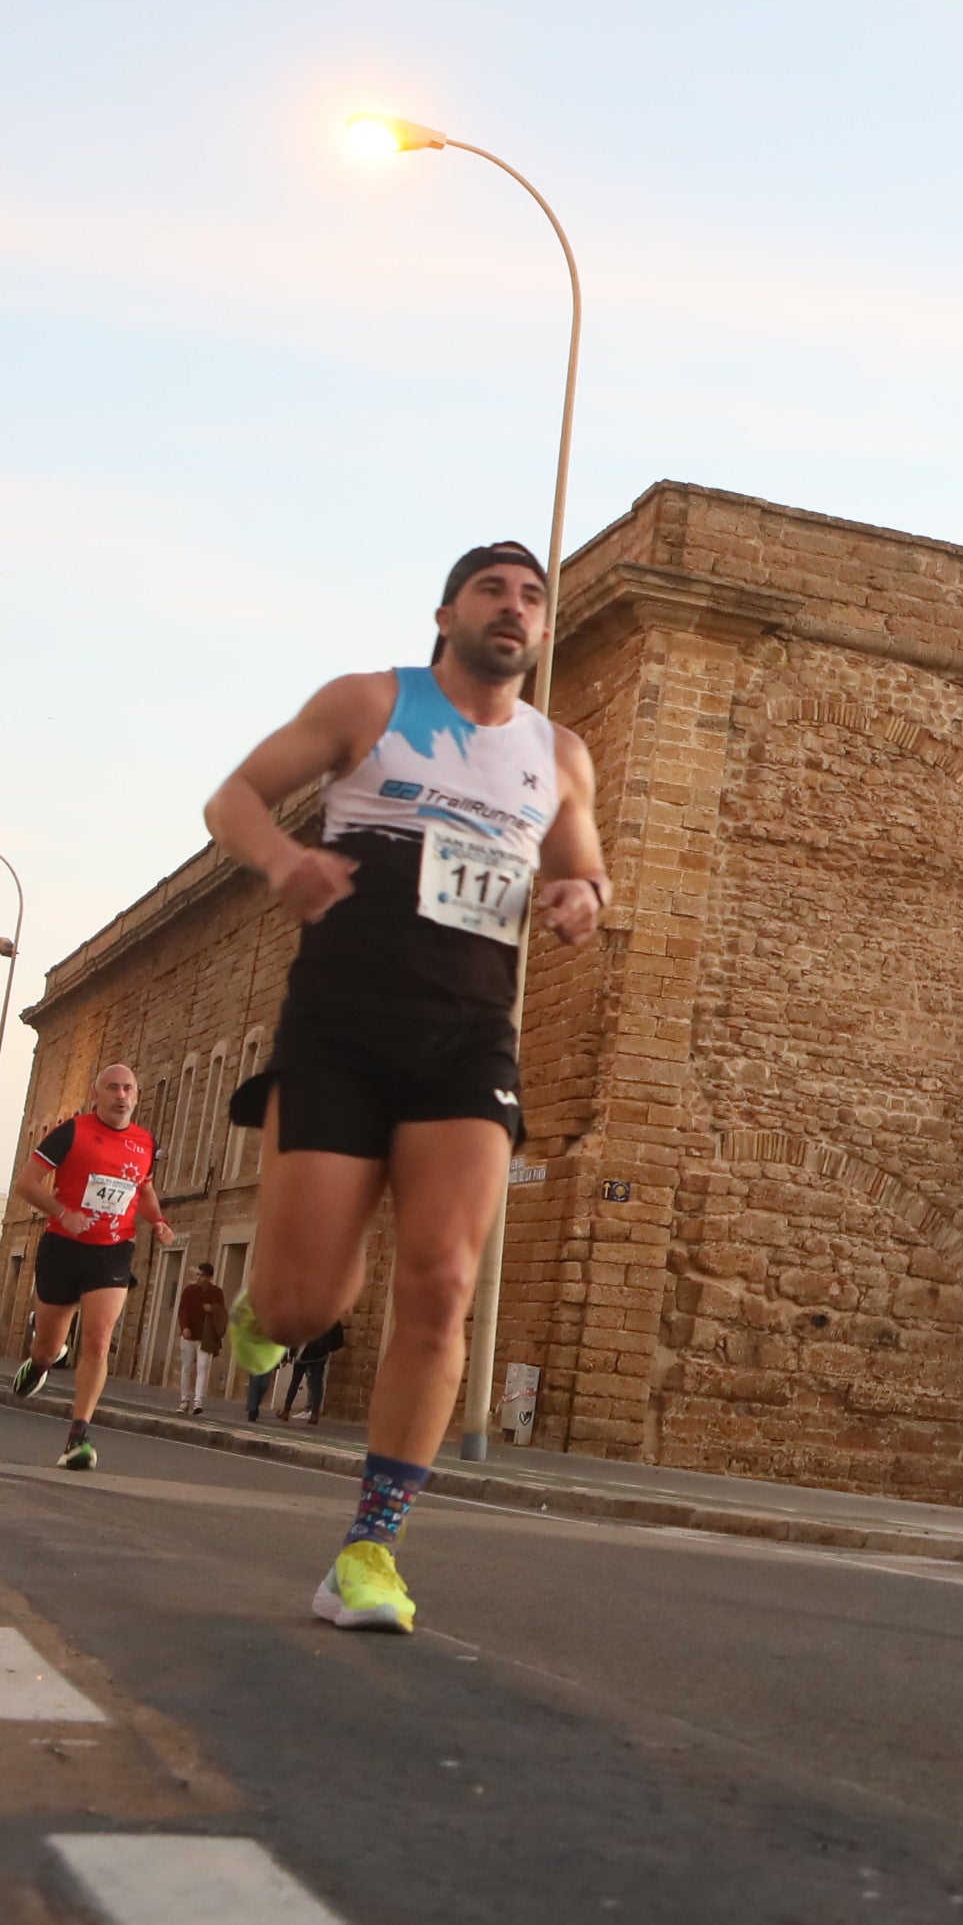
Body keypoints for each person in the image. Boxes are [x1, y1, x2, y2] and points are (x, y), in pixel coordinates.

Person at [205, 541, 610, 1635]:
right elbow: (234, 797)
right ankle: (264, 1306)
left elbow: (583, 868)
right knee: (306, 1307)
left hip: (469, 1042)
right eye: (493, 589)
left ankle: (370, 1550)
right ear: (447, 612)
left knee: (442, 1278)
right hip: (339, 1031)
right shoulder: (370, 702)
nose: (514, 608)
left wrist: (579, 902)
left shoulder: (559, 753)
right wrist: (283, 863)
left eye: (532, 596)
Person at [5, 1062, 173, 1472]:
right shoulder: (72, 1132)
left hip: (112, 1250)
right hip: (63, 1247)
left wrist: (159, 1221)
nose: (120, 1095)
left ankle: (78, 1435)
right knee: (48, 1346)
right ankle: (43, 1360)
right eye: (112, 1088)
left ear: (136, 1096)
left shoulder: (145, 1141)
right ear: (96, 1094)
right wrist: (62, 1212)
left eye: (128, 1089)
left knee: (98, 1340)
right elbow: (26, 1184)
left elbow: (144, 1189)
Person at [170, 1261, 231, 1414]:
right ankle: (184, 1400)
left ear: (209, 1277)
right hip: (189, 1335)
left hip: (205, 1336)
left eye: (202, 1275)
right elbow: (182, 1310)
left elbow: (222, 1313)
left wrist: (212, 1309)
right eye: (197, 1275)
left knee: (202, 1367)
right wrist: (184, 1327)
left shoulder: (216, 1293)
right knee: (186, 1367)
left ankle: (198, 1400)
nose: (198, 1278)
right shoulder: (189, 1291)